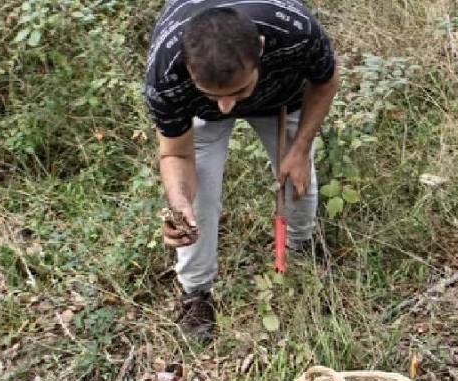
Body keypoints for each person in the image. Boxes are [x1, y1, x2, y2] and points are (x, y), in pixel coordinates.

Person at [143, 1, 340, 341]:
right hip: (198, 113)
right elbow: (176, 153)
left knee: (297, 180)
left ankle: (300, 250)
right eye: (214, 94)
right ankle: (195, 293)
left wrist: (300, 149)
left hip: (281, 96)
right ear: (189, 67)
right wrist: (179, 203)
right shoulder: (166, 70)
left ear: (261, 48)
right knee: (195, 206)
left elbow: (326, 81)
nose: (227, 106)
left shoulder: (294, 30)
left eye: (237, 92)